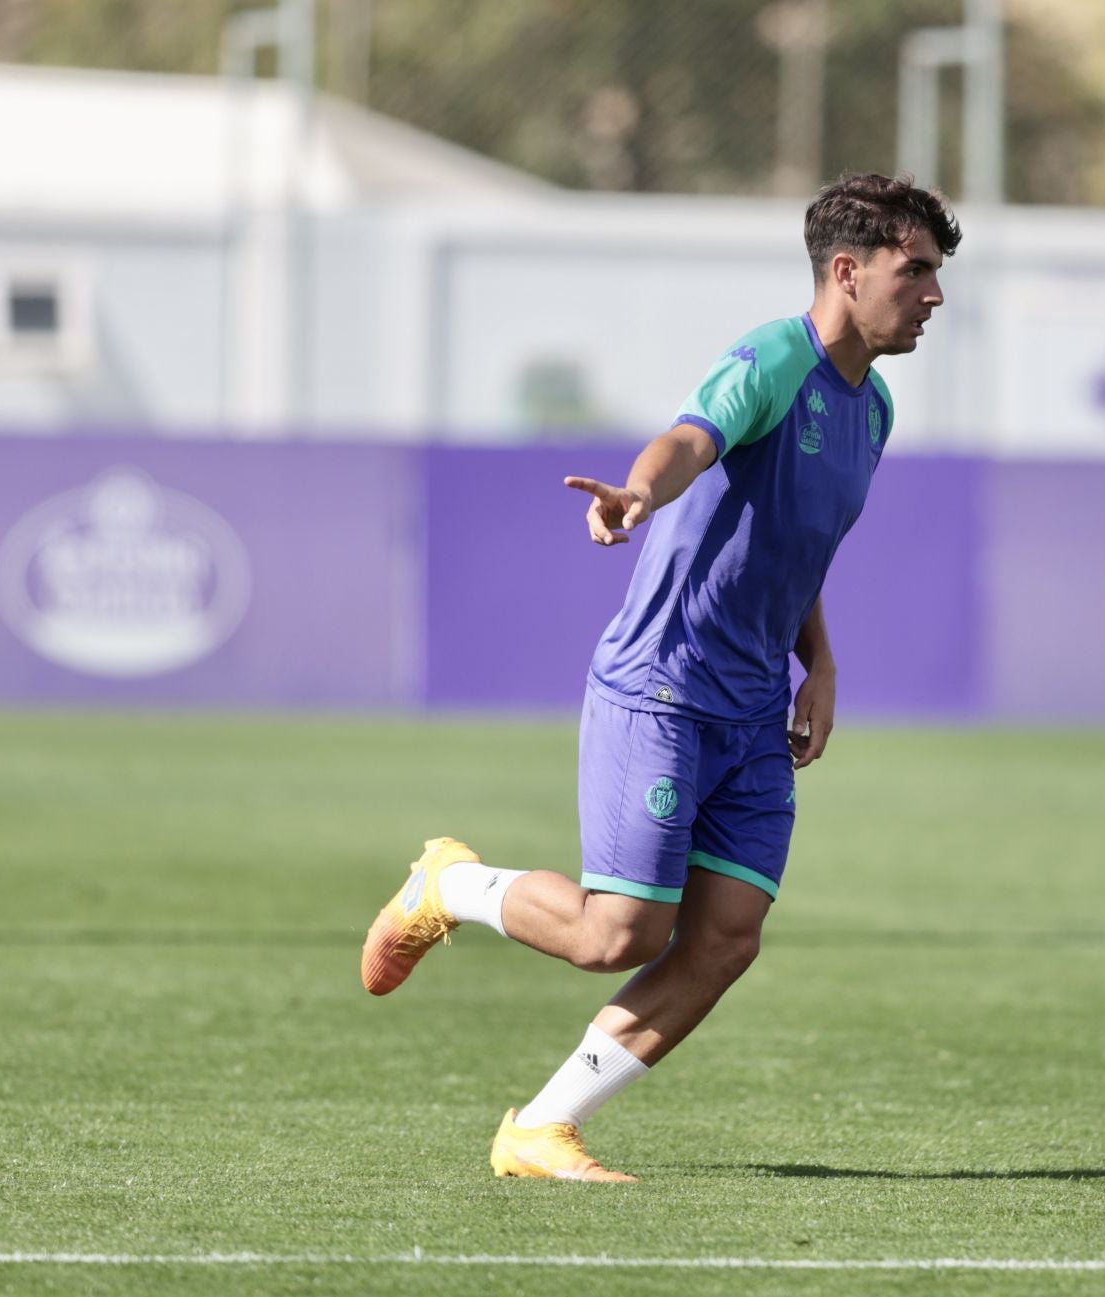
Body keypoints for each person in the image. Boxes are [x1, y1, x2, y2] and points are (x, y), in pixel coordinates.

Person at [360, 172, 961, 1182]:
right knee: (617, 933)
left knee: (725, 937)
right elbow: (690, 438)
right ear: (847, 272)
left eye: (939, 275)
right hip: (666, 687)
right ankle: (448, 885)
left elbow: (794, 545)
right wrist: (638, 491)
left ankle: (540, 1129)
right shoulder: (775, 358)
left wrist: (820, 661)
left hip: (754, 706)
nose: (935, 295)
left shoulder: (877, 410)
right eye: (918, 272)